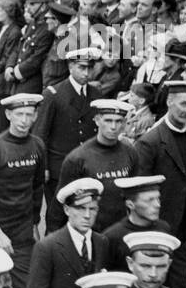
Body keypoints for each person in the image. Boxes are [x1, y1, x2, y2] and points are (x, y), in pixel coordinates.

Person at [133, 79, 186, 288]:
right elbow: (140, 192)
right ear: (169, 102)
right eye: (184, 104)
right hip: (157, 228)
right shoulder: (150, 142)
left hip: (183, 229)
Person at [0, 92, 46, 288]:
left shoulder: (37, 146)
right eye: (19, 114)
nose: (24, 120)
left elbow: (37, 187)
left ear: (35, 116)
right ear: (8, 115)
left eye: (29, 114)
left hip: (23, 232)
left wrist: (34, 224)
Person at [35, 48, 100, 231]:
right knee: (57, 217)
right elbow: (41, 133)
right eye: (82, 67)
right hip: (59, 168)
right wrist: (44, 166)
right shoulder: (53, 94)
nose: (86, 73)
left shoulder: (96, 94)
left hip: (87, 167)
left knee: (83, 216)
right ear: (70, 66)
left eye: (90, 68)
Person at [55, 99, 135, 232]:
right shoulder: (78, 158)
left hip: (121, 229)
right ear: (97, 120)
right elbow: (60, 204)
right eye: (108, 120)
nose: (113, 127)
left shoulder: (130, 152)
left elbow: (135, 193)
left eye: (118, 121)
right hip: (91, 231)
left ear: (124, 123)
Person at [102, 175, 172, 272]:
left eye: (158, 199)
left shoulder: (163, 229)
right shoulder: (112, 236)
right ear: (130, 204)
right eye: (149, 200)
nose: (157, 205)